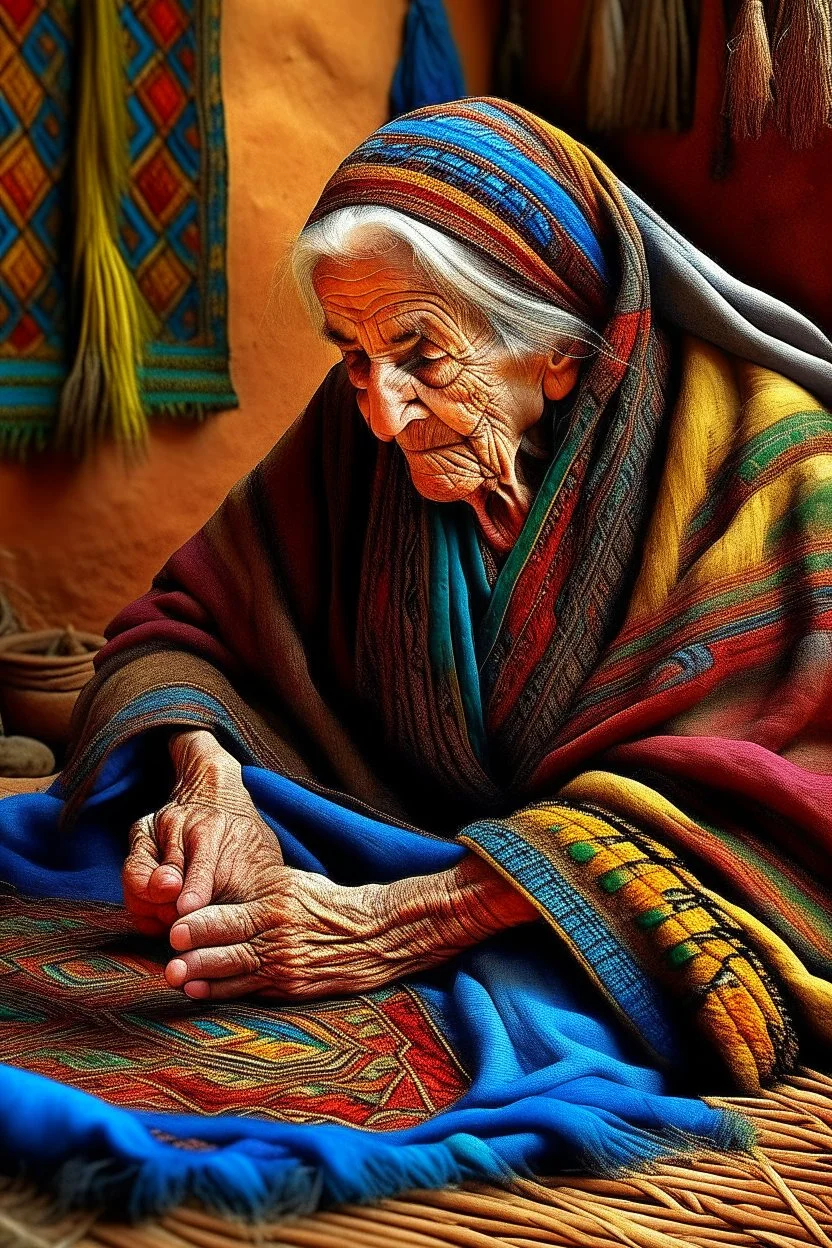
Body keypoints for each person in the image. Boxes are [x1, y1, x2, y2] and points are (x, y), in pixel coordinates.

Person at [3, 97, 832, 1213]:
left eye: (418, 356)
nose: (382, 414)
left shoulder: (775, 479)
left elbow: (781, 804)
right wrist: (214, 785)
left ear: (555, 345)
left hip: (562, 904)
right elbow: (189, 621)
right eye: (351, 357)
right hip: (402, 834)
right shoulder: (360, 434)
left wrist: (399, 924)